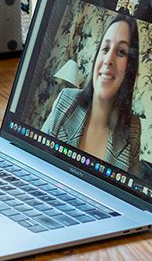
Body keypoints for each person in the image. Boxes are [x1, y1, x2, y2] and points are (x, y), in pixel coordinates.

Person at [42, 14, 150, 178]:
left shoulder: (133, 127)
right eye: (105, 49)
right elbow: (36, 157)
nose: (108, 59)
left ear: (130, 67)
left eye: (121, 52)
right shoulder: (66, 100)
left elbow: (130, 189)